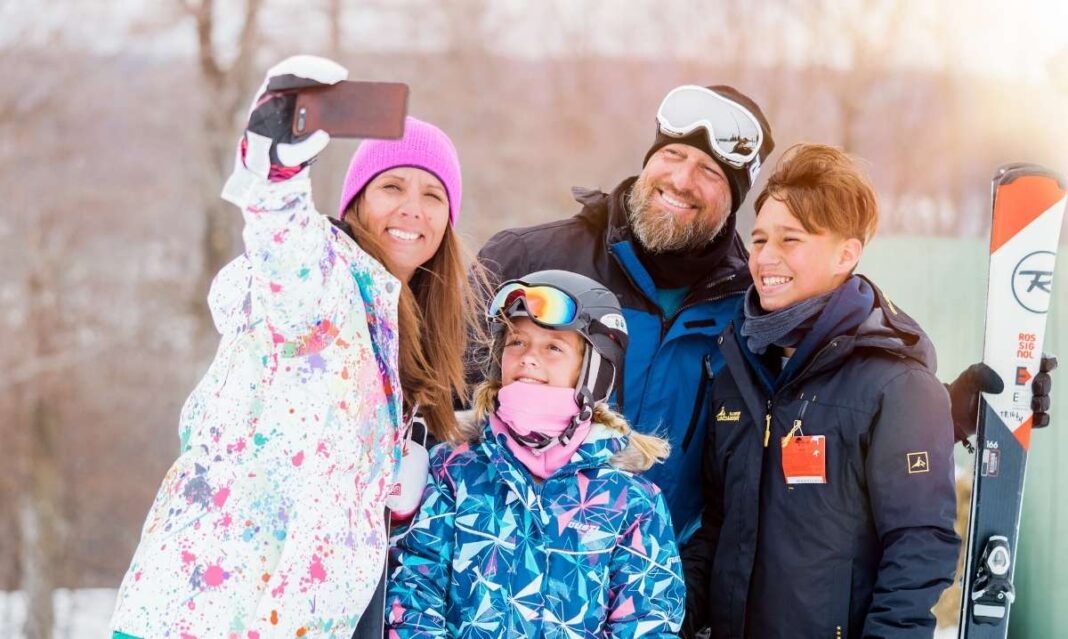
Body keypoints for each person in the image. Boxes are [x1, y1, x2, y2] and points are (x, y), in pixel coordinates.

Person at [475, 84, 1057, 542]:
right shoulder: (531, 259)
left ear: (734, 200)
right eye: (672, 155)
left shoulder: (755, 298)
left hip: (673, 588)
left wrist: (940, 414)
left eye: (709, 172)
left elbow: (845, 374)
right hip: (528, 573)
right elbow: (447, 394)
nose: (682, 179)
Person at [109, 56, 480, 639]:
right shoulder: (325, 285)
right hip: (209, 610)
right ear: (355, 201)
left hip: (302, 619)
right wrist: (276, 174)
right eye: (392, 186)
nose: (413, 207)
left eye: (434, 195)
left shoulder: (408, 343)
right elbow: (287, 248)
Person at [681, 144, 960, 638]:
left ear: (845, 254)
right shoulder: (736, 369)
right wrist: (673, 616)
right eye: (761, 239)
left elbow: (919, 544)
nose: (767, 258)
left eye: (791, 240)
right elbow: (720, 524)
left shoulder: (896, 383)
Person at [385, 270, 686, 637]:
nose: (528, 358)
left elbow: (648, 624)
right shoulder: (455, 470)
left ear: (593, 372)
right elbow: (413, 593)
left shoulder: (632, 504)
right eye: (517, 342)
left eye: (553, 347)